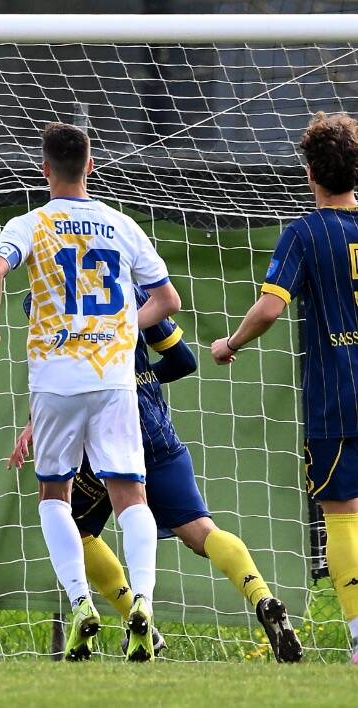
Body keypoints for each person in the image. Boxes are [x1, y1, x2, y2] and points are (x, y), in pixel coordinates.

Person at [0, 122, 181, 661]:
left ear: (45, 170)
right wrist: (122, 328)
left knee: (54, 496)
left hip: (55, 382)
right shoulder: (121, 224)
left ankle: (82, 602)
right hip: (114, 380)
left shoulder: (31, 223)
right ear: (91, 165)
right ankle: (144, 604)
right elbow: (168, 299)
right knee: (130, 495)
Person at [11, 290, 302, 662]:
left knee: (73, 528)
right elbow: (183, 360)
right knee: (202, 531)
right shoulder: (133, 293)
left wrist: (36, 422)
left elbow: (59, 370)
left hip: (97, 433)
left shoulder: (47, 290)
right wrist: (141, 379)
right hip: (153, 430)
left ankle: (138, 617)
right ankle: (262, 597)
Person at [212, 111, 358, 663]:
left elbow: (272, 307)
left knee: (342, 513)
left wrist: (231, 343)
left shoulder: (303, 233)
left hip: (335, 396)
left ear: (309, 173)